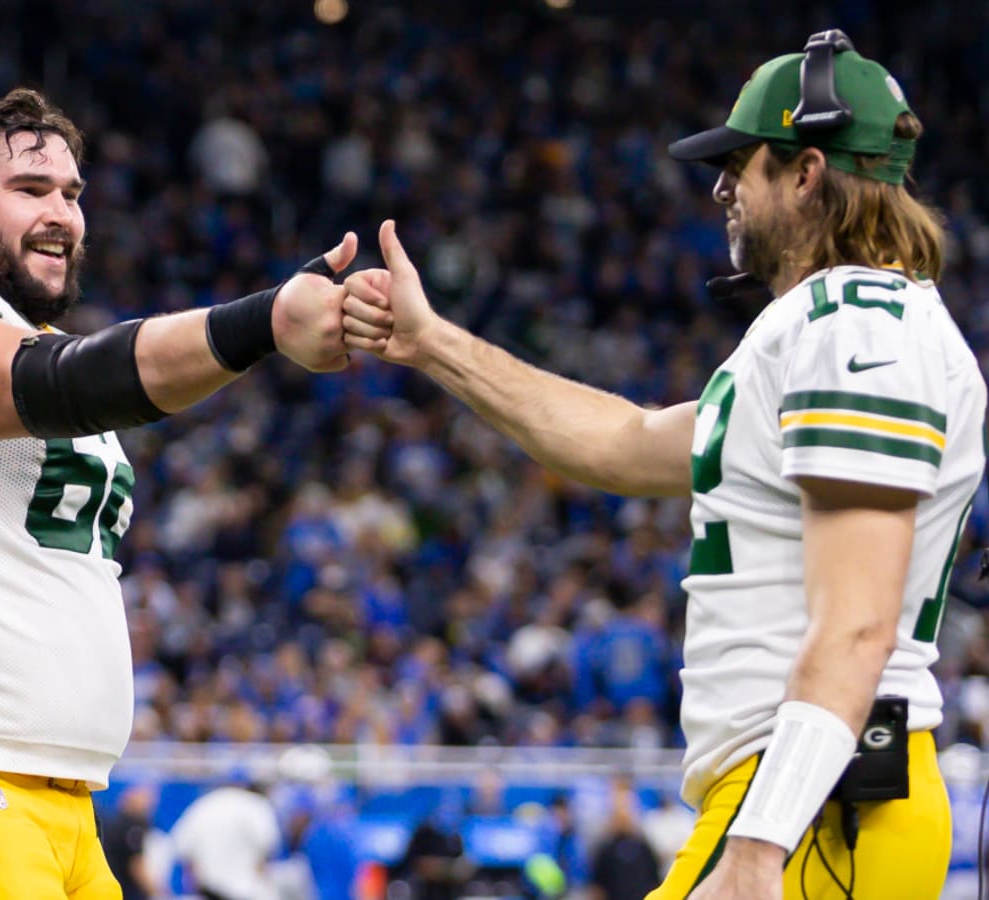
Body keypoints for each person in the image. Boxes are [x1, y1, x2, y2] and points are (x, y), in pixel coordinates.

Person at [342, 30, 985, 900]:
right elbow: (623, 444)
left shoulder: (856, 326)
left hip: (816, 811)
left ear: (806, 172)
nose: (720, 187)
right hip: (810, 802)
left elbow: (859, 626)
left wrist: (759, 847)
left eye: (741, 164)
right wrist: (432, 345)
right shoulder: (826, 326)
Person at [0, 88, 358, 898]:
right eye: (30, 191)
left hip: (59, 801)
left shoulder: (39, 340)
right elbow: (53, 383)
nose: (63, 213)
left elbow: (83, 374)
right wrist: (264, 321)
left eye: (72, 194)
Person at [169, 771, 281, 900]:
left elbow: (181, 847)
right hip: (247, 890)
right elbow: (268, 847)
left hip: (209, 889)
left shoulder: (204, 804)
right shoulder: (256, 804)